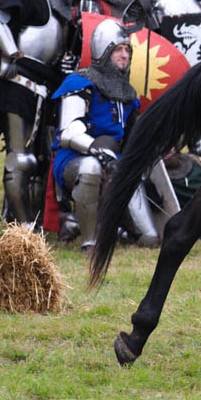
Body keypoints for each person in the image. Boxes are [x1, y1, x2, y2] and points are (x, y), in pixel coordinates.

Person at [0, 0, 76, 223]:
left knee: (38, 162)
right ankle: (21, 231)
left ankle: (27, 223)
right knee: (19, 160)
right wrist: (10, 52)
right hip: (16, 87)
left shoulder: (58, 4)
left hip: (42, 91)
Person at [51, 20, 147, 251]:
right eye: (118, 50)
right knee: (91, 168)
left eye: (127, 50)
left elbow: (132, 138)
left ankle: (118, 228)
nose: (124, 56)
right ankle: (90, 241)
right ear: (103, 51)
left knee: (150, 238)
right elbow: (68, 132)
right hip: (75, 158)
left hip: (115, 161)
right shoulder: (79, 82)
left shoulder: (128, 95)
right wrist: (97, 151)